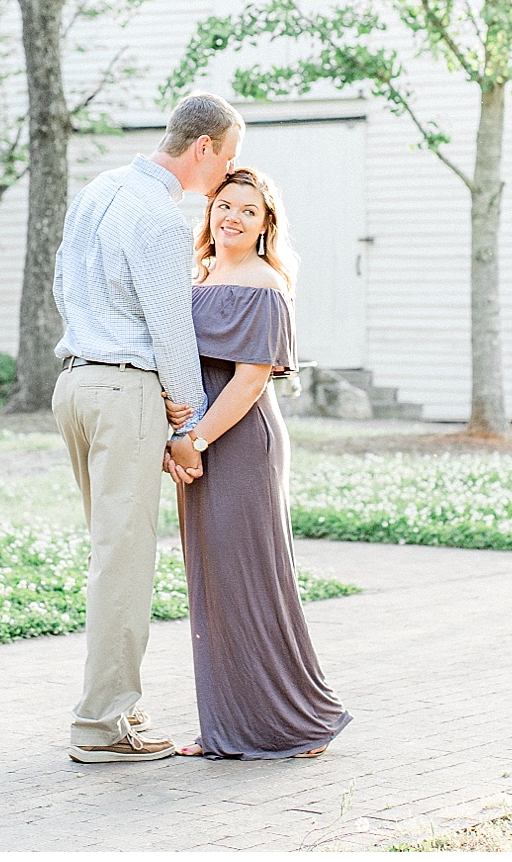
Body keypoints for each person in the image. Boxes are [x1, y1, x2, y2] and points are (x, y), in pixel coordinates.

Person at [52, 92, 243, 764]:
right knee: (124, 566)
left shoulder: (99, 191)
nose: (227, 172)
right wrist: (187, 425)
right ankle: (103, 725)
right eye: (228, 156)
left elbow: (65, 286)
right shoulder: (160, 218)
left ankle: (115, 703)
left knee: (110, 557)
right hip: (122, 390)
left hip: (73, 382)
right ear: (203, 148)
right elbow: (172, 331)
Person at [166, 167, 352, 759]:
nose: (232, 217)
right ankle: (229, 727)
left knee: (250, 583)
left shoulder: (265, 284)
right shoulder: (201, 276)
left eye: (248, 210)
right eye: (224, 204)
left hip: (240, 444)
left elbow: (248, 383)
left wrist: (193, 439)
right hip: (198, 440)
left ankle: (292, 725)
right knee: (214, 584)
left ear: (267, 224)